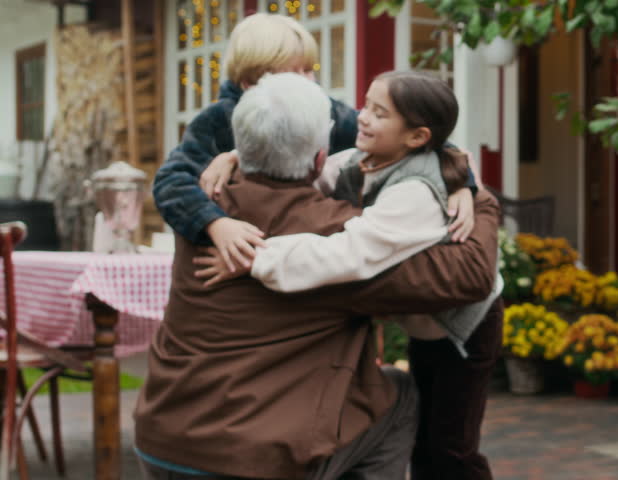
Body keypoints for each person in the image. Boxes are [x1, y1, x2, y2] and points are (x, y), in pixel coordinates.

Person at [133, 72, 501, 480]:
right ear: (319, 159)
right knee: (401, 397)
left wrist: (236, 159)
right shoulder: (334, 228)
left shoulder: (205, 207)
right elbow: (469, 275)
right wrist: (482, 201)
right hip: (253, 460)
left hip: (159, 438)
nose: (363, 119)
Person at [153, 12, 477, 275]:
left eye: (311, 70)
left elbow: (419, 140)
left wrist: (461, 183)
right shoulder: (215, 121)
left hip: (300, 251)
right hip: (240, 259)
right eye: (297, 73)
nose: (310, 81)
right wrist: (215, 223)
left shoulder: (323, 108)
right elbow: (170, 183)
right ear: (252, 82)